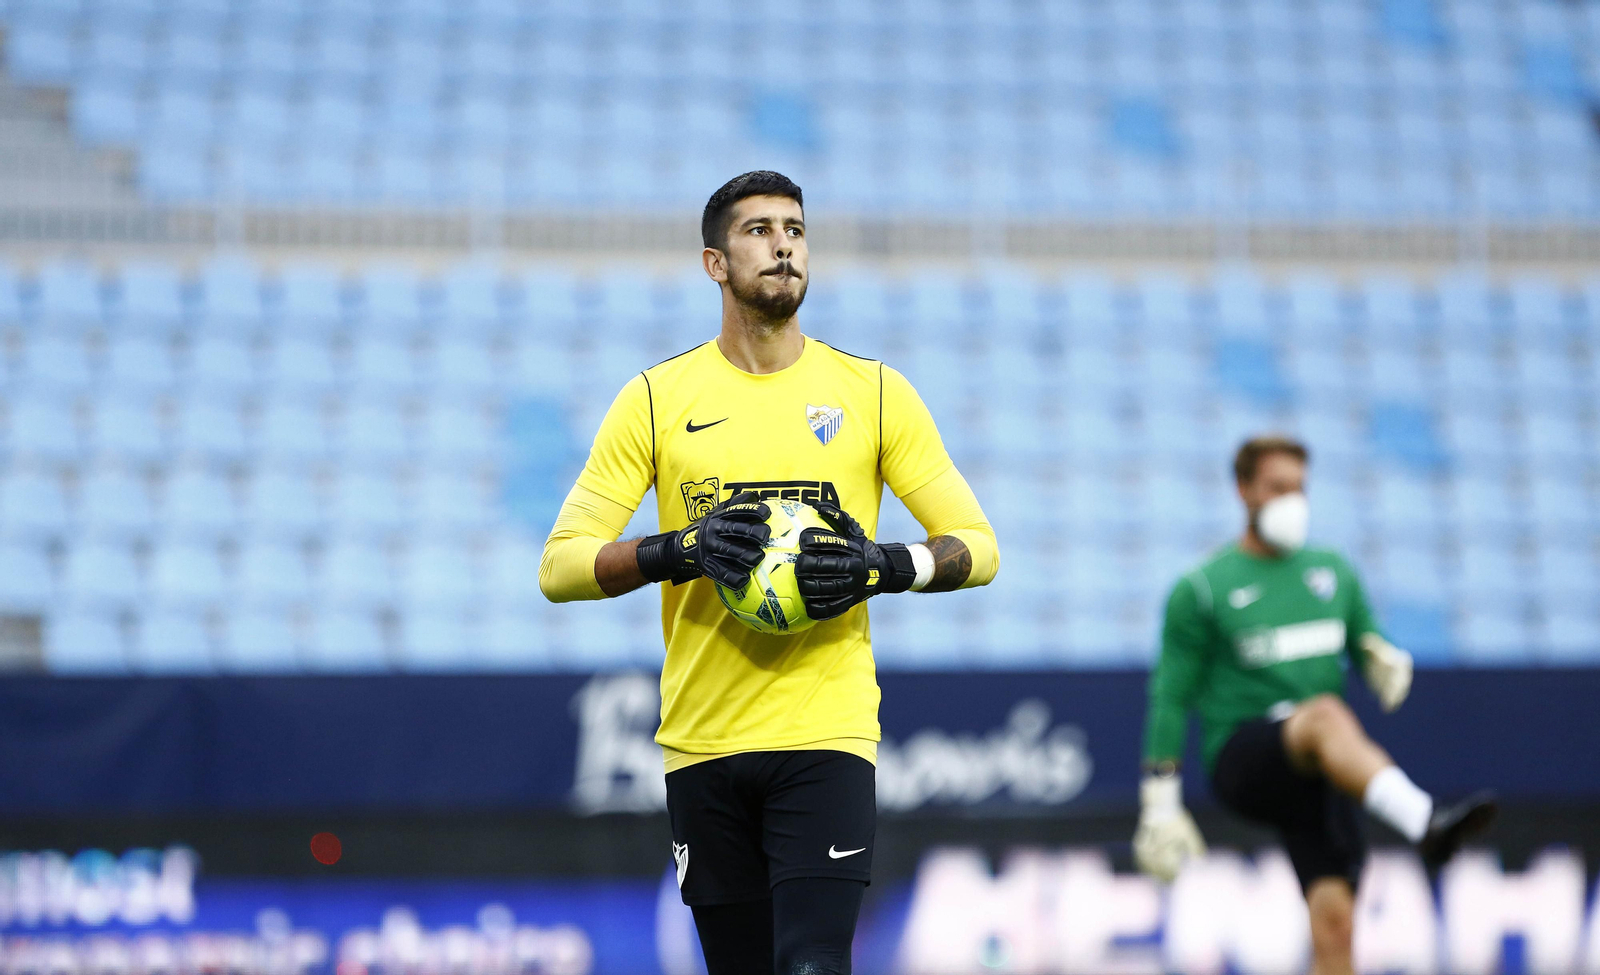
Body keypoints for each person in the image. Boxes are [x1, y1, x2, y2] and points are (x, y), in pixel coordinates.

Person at [539, 171, 999, 975]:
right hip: (703, 742)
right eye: (759, 230)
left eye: (795, 229)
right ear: (714, 263)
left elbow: (978, 546)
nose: (784, 245)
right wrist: (678, 550)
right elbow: (560, 565)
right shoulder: (655, 399)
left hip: (826, 731)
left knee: (814, 962)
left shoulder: (874, 393)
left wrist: (884, 564)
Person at [1134, 435, 1496, 975]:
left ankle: (1422, 825)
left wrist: (1384, 660)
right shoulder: (1202, 588)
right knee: (1324, 714)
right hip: (1247, 754)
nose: (1291, 501)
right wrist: (1160, 804)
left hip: (1323, 769)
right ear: (1243, 490)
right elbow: (1170, 696)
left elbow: (1367, 641)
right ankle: (1424, 820)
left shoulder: (1333, 572)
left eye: (1299, 489)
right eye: (1277, 487)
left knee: (1336, 924)